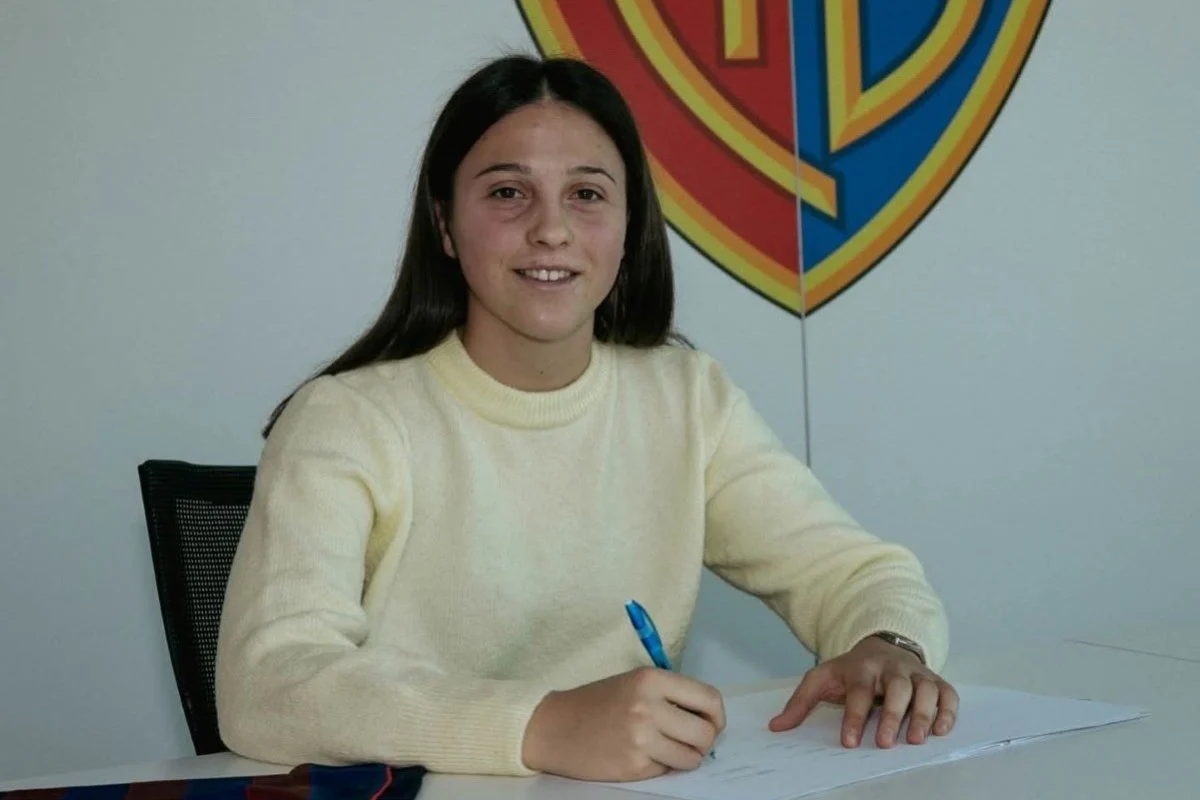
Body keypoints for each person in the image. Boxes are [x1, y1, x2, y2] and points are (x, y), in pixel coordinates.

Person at [214, 53, 958, 782]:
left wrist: (888, 643)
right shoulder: (344, 418)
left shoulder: (685, 397)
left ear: (629, 225)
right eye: (508, 192)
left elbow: (856, 573)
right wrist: (543, 725)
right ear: (445, 223)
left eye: (587, 194)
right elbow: (271, 682)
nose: (551, 229)